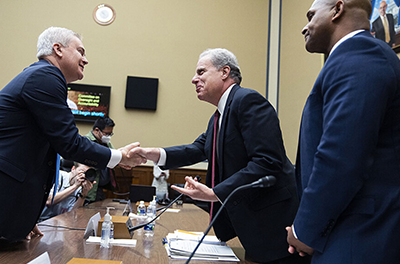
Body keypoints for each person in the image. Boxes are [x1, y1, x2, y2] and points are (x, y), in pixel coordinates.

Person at [132, 48, 306, 264]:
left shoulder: (248, 101)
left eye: (201, 71)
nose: (194, 79)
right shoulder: (218, 116)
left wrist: (216, 193)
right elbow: (197, 149)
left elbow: (267, 162)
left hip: (276, 226)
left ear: (225, 71)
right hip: (254, 229)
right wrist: (153, 154)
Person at [0, 26, 146, 242]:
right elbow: (69, 143)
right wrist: (120, 157)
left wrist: (25, 220)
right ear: (57, 49)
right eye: (81, 51)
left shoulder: (41, 76)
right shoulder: (45, 77)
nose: (85, 60)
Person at [286, 0, 400, 263]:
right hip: (345, 230)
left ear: (337, 10)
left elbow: (342, 156)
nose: (305, 27)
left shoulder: (361, 55)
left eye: (311, 15)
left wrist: (306, 229)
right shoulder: (352, 58)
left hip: (360, 237)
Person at [85, 116, 118, 202]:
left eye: (110, 134)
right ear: (97, 130)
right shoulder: (86, 142)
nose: (108, 137)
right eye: (106, 134)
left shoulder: (105, 142)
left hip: (99, 189)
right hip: (88, 189)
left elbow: (115, 155)